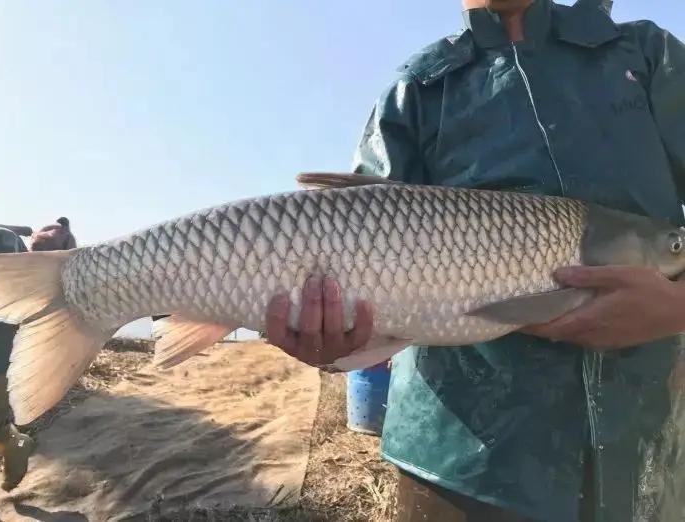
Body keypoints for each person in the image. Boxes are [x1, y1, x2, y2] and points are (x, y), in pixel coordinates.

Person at [266, 1, 685, 521]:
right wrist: (331, 337)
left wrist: (677, 306)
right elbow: (353, 249)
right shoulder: (415, 89)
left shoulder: (647, 55)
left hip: (650, 452)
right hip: (455, 464)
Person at [0, 218, 76, 491]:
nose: (59, 226)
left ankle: (12, 441)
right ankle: (14, 442)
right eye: (53, 225)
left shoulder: (6, 241)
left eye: (65, 235)